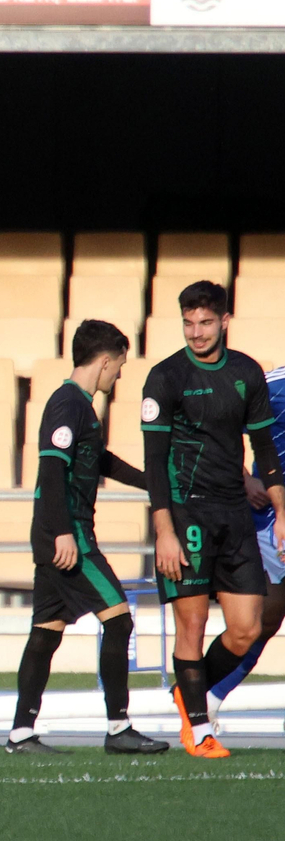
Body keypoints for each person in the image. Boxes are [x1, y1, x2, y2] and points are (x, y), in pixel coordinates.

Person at [5, 320, 167, 755]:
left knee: (45, 633)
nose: (119, 376)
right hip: (69, 535)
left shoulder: (79, 407)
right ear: (105, 361)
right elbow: (52, 470)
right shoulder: (67, 404)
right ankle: (119, 729)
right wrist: (62, 532)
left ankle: (21, 733)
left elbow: (102, 461)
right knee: (119, 618)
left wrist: (154, 482)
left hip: (58, 534)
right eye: (119, 367)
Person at [142, 281, 285, 759]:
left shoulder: (246, 372)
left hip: (234, 513)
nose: (196, 332)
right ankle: (199, 729)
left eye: (205, 322)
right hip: (186, 513)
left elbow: (264, 448)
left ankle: (189, 693)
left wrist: (280, 508)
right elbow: (155, 460)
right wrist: (164, 530)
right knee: (193, 623)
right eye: (188, 322)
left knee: (248, 626)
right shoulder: (165, 377)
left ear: (224, 321)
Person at [206, 364, 285, 720]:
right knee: (260, 621)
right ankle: (202, 695)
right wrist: (244, 479)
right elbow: (215, 425)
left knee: (267, 620)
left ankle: (205, 697)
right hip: (272, 521)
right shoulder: (276, 385)